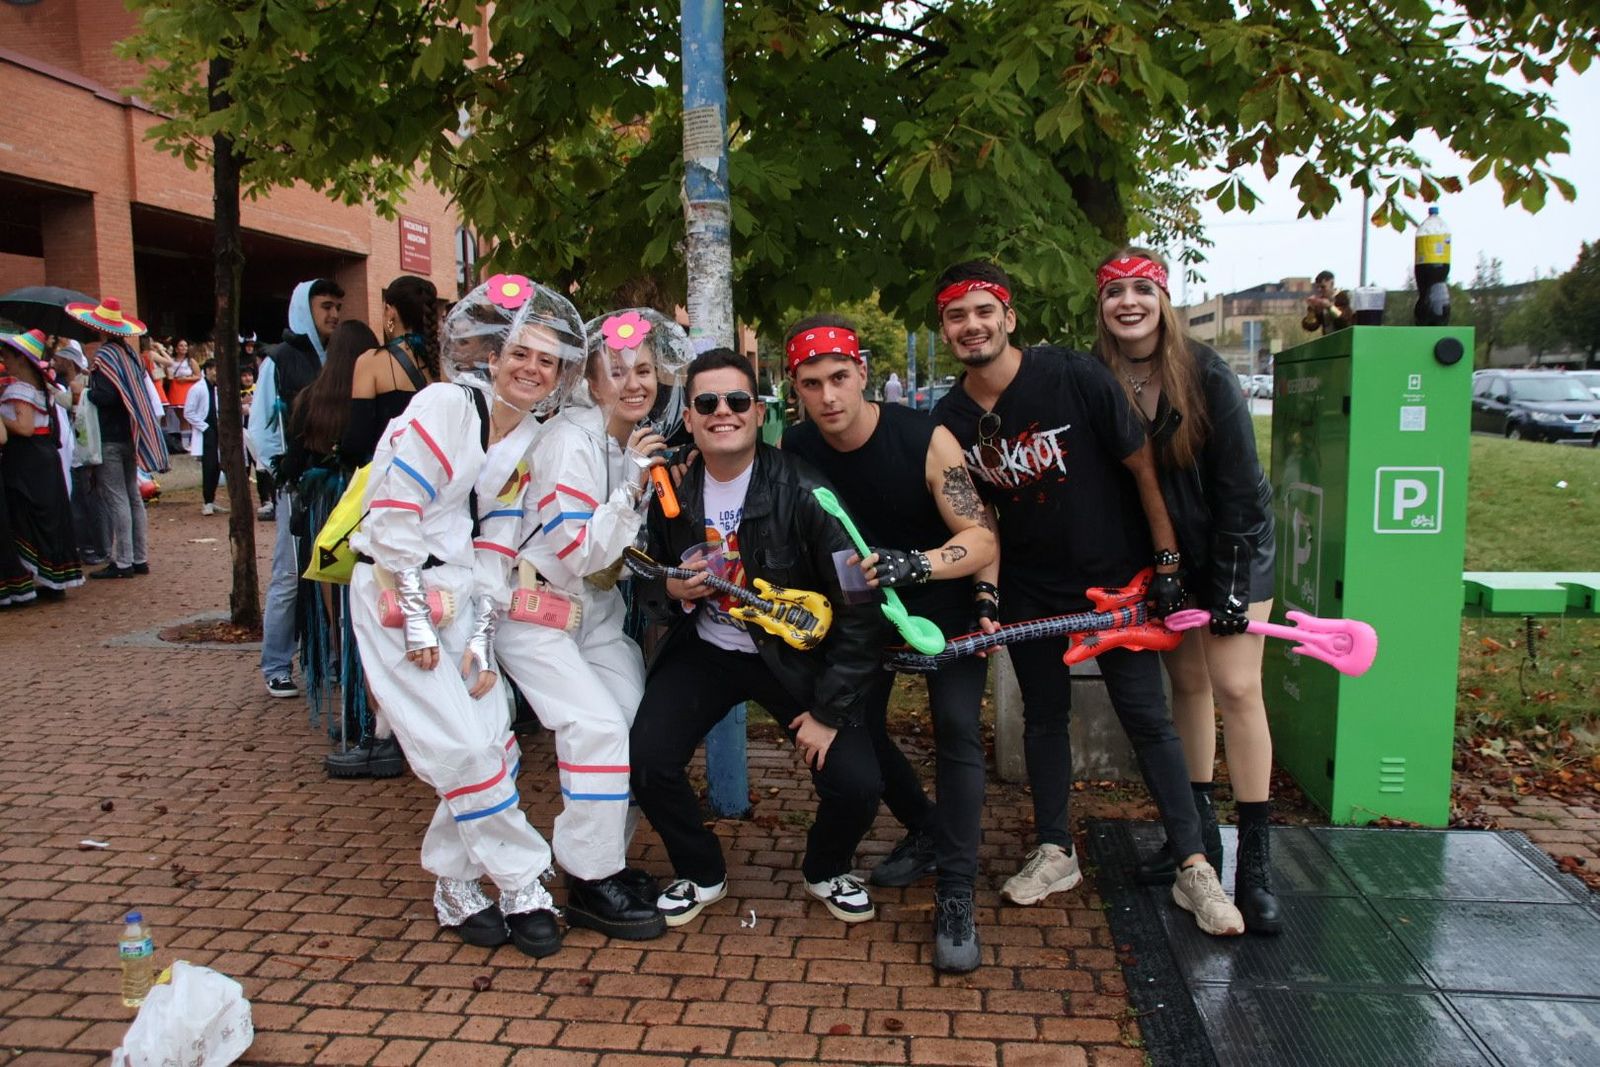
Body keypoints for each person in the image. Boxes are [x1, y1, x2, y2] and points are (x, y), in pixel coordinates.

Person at [929, 260, 1245, 937]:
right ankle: (1055, 849)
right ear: (945, 330)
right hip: (1031, 590)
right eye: (956, 316)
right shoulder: (950, 418)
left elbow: (1143, 467)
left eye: (983, 311)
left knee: (1146, 715)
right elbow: (980, 518)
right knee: (1044, 717)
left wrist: (1165, 563)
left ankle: (1194, 865)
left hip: (1115, 584)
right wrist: (988, 593)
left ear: (1009, 317)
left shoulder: (1071, 374)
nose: (971, 325)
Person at [628, 347, 888, 929]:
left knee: (857, 783)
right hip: (708, 648)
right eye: (707, 402)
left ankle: (826, 868)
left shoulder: (806, 490)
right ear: (689, 417)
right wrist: (672, 590)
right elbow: (646, 574)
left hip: (792, 655)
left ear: (759, 411)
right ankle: (700, 871)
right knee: (647, 760)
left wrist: (829, 712)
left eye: (737, 400)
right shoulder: (673, 492)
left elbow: (861, 605)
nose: (723, 411)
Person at [346, 275, 563, 957]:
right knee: (462, 747)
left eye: (547, 360)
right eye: (520, 353)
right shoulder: (445, 405)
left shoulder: (528, 436)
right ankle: (523, 881)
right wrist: (415, 618)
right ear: (492, 356)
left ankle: (456, 883)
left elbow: (498, 541)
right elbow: (392, 516)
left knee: (492, 739)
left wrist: (480, 635)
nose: (531, 368)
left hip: (461, 594)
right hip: (394, 590)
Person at [780, 313, 997, 973]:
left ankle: (956, 892)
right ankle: (927, 828)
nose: (828, 396)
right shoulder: (795, 446)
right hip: (860, 617)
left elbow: (982, 536)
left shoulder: (925, 437)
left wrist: (919, 564)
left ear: (863, 372)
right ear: (795, 388)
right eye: (811, 383)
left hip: (941, 604)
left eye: (839, 377)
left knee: (957, 729)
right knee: (859, 727)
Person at [1093, 249, 1280, 934]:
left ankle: (1256, 865)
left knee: (1236, 685)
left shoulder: (1205, 374)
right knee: (1189, 686)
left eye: (1142, 289)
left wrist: (1228, 586)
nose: (1129, 302)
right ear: (1101, 307)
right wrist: (1161, 570)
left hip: (1234, 547)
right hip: (1166, 558)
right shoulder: (1102, 378)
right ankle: (1196, 844)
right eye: (1114, 292)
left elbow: (1242, 494)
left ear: (1164, 300)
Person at [491, 301, 689, 942]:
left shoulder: (621, 442)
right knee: (596, 727)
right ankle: (589, 878)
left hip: (595, 613)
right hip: (535, 613)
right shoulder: (569, 441)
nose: (634, 382)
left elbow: (617, 559)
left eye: (644, 370)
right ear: (591, 380)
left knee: (636, 728)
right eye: (618, 370)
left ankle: (600, 864)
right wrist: (633, 487)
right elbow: (578, 550)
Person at [280, 320, 384, 768]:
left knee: (340, 616)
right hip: (364, 508)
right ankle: (372, 715)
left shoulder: (310, 399)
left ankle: (355, 710)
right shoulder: (383, 391)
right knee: (370, 618)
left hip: (329, 517)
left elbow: (292, 463)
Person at [249, 278, 343, 699]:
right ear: (306, 308)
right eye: (326, 306)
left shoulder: (338, 356)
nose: (334, 315)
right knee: (289, 573)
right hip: (296, 485)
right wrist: (282, 474)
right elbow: (261, 429)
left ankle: (330, 657)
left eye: (337, 307)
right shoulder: (279, 361)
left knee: (333, 570)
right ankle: (276, 664)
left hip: (334, 481)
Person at [73, 299, 168, 581]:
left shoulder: (105, 356)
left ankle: (123, 561)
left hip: (110, 437)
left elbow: (106, 396)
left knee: (116, 498)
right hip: (130, 434)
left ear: (101, 328)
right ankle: (139, 557)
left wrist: (85, 391)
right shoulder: (130, 355)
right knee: (132, 496)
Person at [0, 329, 82, 598]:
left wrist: (1, 420)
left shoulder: (20, 390)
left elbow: (24, 428)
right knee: (48, 517)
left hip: (27, 459)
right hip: (44, 457)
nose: (5, 361)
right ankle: (53, 580)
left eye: (7, 356)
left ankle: (41, 577)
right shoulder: (41, 388)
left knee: (29, 517)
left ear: (21, 359)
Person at [343, 275, 440, 467]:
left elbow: (357, 439)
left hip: (390, 475)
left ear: (390, 311)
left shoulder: (371, 361)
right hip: (432, 475)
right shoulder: (444, 361)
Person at [182, 359, 224, 515]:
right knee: (209, 467)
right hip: (206, 432)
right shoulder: (197, 389)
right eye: (213, 369)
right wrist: (204, 427)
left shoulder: (217, 388)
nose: (216, 373)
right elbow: (188, 412)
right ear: (206, 370)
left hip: (218, 430)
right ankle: (207, 502)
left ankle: (211, 500)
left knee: (218, 467)